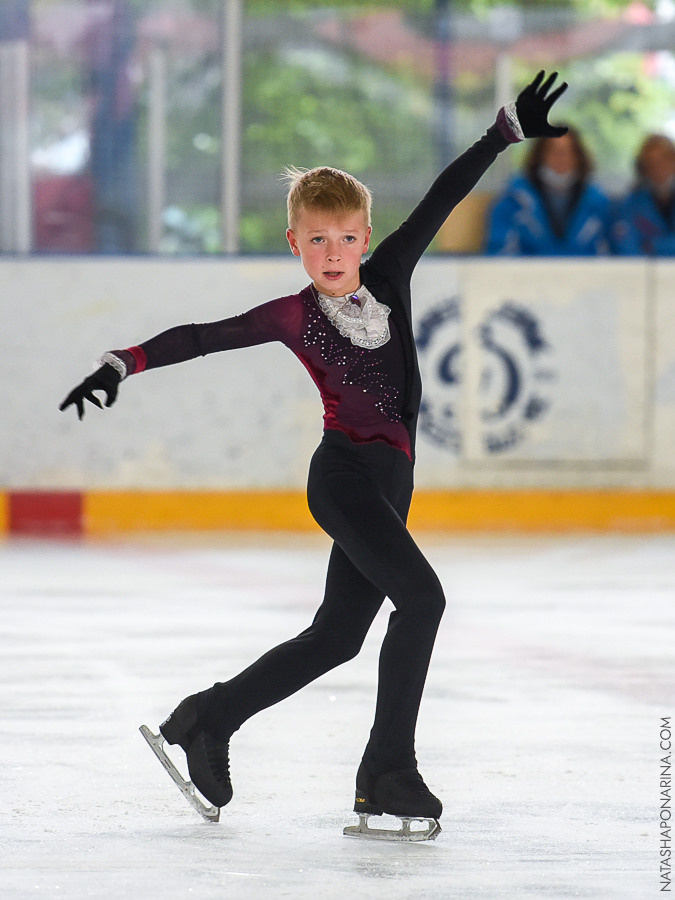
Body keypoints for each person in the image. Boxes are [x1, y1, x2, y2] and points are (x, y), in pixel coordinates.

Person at [60, 71, 568, 840]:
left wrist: (503, 132)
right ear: (294, 242)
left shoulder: (389, 277)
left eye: (346, 238)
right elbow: (201, 337)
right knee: (423, 601)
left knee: (337, 636)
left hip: (391, 483)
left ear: (365, 237)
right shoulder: (292, 316)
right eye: (316, 240)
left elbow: (441, 197)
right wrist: (121, 362)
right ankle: (386, 771)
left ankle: (208, 717)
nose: (333, 253)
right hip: (342, 478)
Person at [484, 126, 612, 256]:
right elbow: (498, 252)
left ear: (579, 157)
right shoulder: (513, 200)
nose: (562, 158)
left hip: (584, 275)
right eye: (554, 151)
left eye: (568, 152)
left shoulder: (598, 204)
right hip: (527, 274)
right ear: (540, 155)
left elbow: (614, 255)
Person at [612, 133, 675, 256]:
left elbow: (645, 246)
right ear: (643, 168)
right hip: (644, 272)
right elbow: (626, 247)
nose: (658, 169)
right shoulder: (630, 205)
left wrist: (653, 245)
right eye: (651, 164)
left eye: (664, 161)